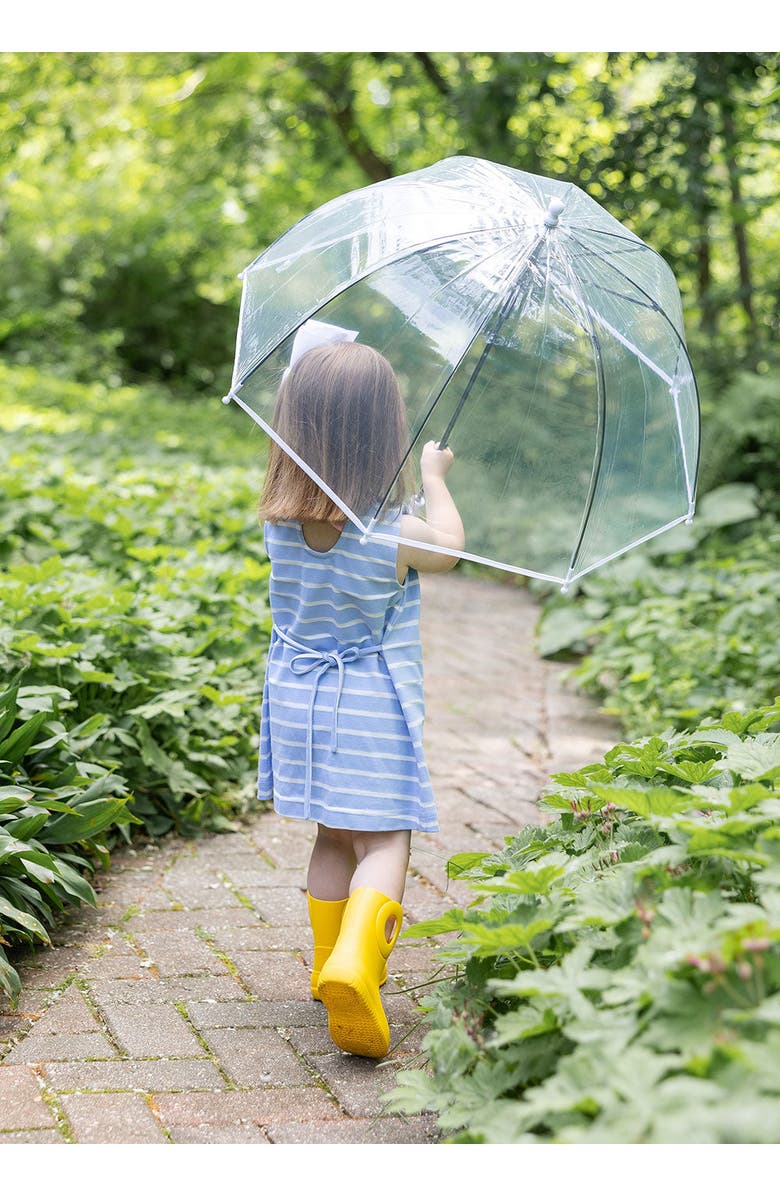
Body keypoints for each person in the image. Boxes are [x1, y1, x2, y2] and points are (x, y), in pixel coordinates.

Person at [257, 327, 464, 1060]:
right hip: (368, 703)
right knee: (383, 837)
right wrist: (434, 478)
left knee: (332, 835)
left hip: (298, 699)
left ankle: (325, 965)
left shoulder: (280, 523)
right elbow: (450, 550)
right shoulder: (392, 533)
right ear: (385, 435)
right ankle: (356, 963)